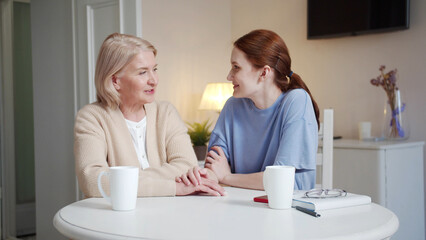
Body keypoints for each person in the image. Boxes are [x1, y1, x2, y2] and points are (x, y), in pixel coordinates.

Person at [74, 33, 225, 197]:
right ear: (115, 81)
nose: (154, 80)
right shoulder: (91, 117)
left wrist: (124, 181)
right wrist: (174, 187)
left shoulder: (166, 112)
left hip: (167, 213)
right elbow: (93, 182)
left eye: (154, 69)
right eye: (142, 72)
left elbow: (187, 166)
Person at [178, 29, 319, 191]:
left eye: (236, 67)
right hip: (239, 207)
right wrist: (201, 176)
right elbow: (214, 168)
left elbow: (285, 182)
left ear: (264, 72)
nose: (229, 76)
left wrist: (227, 177)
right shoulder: (232, 106)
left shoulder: (296, 101)